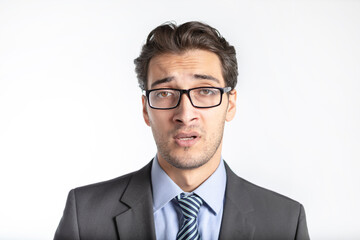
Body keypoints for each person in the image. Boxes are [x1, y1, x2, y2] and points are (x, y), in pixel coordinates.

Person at [54, 21, 310, 240]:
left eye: (206, 91)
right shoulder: (85, 216)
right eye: (165, 93)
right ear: (146, 109)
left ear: (230, 104)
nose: (185, 115)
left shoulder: (285, 222)